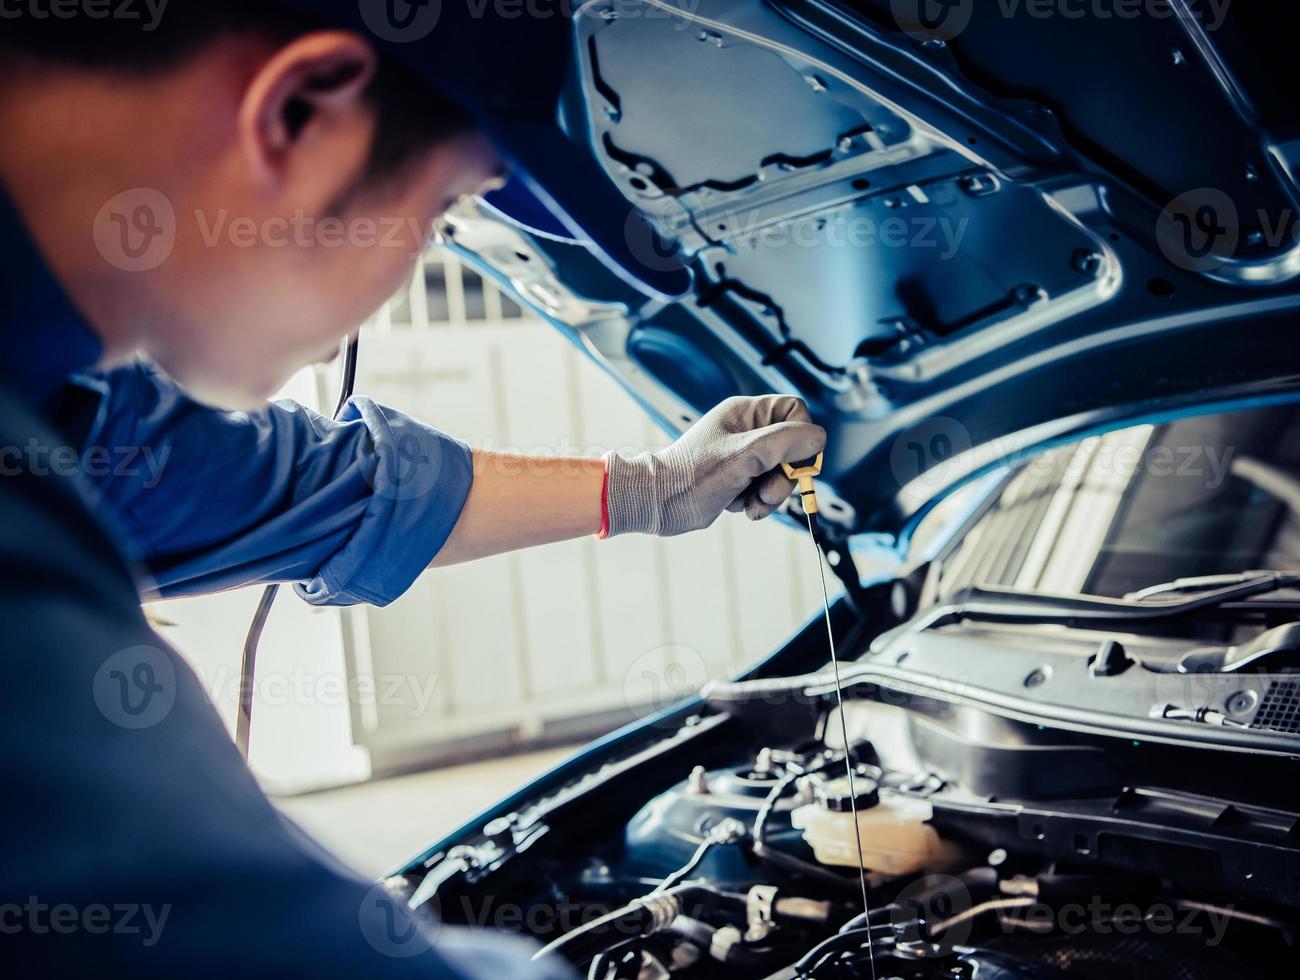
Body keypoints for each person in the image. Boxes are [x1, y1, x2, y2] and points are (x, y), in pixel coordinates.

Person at [0, 4, 825, 975]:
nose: (410, 265)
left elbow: (320, 487)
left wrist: (656, 487)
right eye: (439, 214)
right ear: (301, 111)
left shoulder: (57, 392)